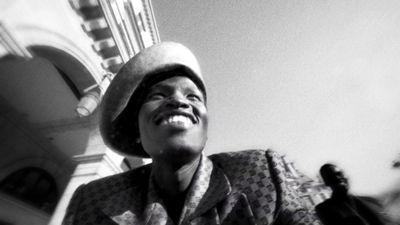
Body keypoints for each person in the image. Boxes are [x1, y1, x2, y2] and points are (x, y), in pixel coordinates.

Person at [62, 42, 320, 225]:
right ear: (137, 131)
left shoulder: (260, 172)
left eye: (193, 96)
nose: (179, 102)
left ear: (204, 127)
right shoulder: (93, 199)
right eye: (158, 95)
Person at [316, 163, 392, 225]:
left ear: (346, 177)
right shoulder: (325, 209)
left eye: (339, 174)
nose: (338, 178)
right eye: (331, 176)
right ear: (326, 183)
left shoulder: (371, 201)